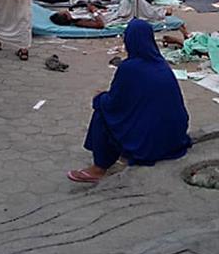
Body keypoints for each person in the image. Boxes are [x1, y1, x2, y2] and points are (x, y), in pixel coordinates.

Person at [68, 19, 191, 183]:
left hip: (151, 143)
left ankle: (99, 168)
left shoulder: (129, 68)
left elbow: (113, 104)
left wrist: (99, 98)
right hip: (175, 138)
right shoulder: (161, 64)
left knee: (101, 111)